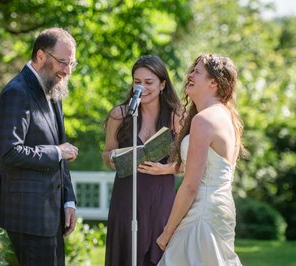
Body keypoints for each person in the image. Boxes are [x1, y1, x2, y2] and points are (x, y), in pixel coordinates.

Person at [0, 27, 79, 265]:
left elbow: (62, 151)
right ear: (40, 56)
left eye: (72, 63)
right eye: (63, 62)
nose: (67, 71)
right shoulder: (16, 92)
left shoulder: (53, 91)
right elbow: (9, 152)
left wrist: (68, 201)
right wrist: (58, 152)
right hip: (27, 216)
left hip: (51, 214)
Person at [156, 54, 246, 265]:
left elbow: (190, 186)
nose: (190, 75)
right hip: (220, 209)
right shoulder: (226, 117)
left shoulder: (204, 121)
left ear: (214, 82)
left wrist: (167, 232)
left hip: (202, 213)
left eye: (197, 71)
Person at [102, 55, 184, 266]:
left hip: (161, 196)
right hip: (126, 196)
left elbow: (190, 164)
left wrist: (164, 169)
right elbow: (107, 153)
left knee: (158, 255)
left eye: (149, 82)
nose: (142, 87)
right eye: (137, 82)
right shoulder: (119, 115)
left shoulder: (177, 116)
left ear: (162, 84)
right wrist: (114, 158)